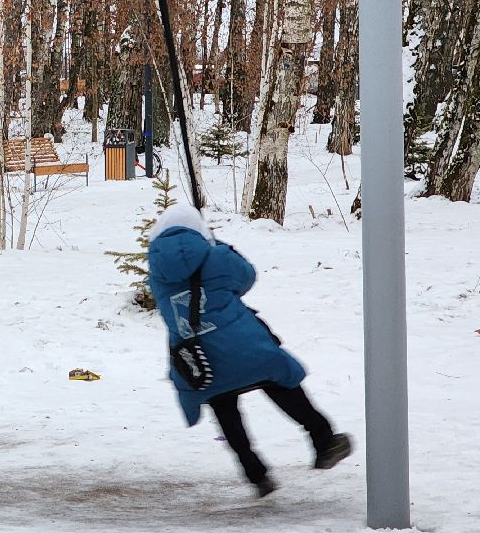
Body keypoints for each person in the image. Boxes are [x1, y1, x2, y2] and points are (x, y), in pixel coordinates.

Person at [146, 204, 352, 497]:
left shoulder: (157, 273)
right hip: (245, 346)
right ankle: (324, 442)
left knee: (223, 403)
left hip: (201, 359)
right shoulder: (216, 256)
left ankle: (256, 474)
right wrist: (218, 246)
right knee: (280, 381)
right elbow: (247, 277)